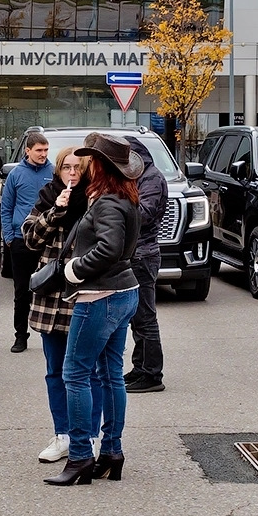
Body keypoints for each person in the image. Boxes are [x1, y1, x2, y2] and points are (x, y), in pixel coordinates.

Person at [45, 133, 144, 487]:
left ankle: (81, 458)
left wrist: (75, 269)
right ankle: (111, 453)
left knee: (75, 374)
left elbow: (110, 247)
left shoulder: (107, 203)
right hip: (123, 290)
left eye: (90, 160)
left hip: (99, 295)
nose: (85, 165)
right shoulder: (123, 197)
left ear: (100, 165)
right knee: (110, 373)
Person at [21, 147, 90, 463]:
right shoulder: (48, 195)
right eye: (66, 167)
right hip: (51, 296)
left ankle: (90, 436)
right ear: (58, 170)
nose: (72, 173)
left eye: (78, 167)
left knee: (86, 372)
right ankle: (62, 434)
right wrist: (54, 213)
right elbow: (30, 240)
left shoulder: (93, 198)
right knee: (55, 371)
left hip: (84, 292)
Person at [0, 128, 53, 353]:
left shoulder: (54, 171)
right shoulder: (16, 174)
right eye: (39, 150)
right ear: (28, 150)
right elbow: (6, 207)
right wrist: (9, 238)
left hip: (48, 240)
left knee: (49, 288)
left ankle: (50, 335)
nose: (43, 154)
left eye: (46, 150)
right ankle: (21, 335)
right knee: (22, 291)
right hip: (21, 241)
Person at [123, 134, 168, 392]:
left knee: (145, 318)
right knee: (138, 318)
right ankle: (140, 368)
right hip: (136, 253)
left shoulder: (151, 178)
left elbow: (144, 214)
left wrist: (118, 206)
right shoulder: (139, 177)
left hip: (143, 254)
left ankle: (152, 374)